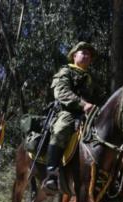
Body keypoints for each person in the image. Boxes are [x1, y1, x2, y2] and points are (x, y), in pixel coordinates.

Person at [44, 41, 103, 193]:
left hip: (89, 115)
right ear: (74, 56)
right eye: (83, 53)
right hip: (68, 112)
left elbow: (98, 98)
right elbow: (61, 92)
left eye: (89, 55)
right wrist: (83, 105)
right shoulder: (65, 71)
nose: (86, 56)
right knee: (62, 128)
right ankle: (51, 173)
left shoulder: (91, 78)